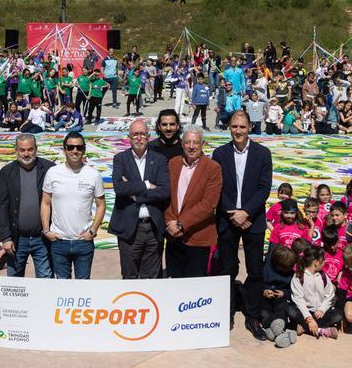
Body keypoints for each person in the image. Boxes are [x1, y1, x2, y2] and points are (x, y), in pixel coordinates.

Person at [212, 110, 273, 319]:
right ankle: (226, 313)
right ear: (230, 127)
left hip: (252, 220)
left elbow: (264, 188)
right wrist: (233, 215)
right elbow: (216, 187)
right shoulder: (220, 154)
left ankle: (253, 315)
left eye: (242, 127)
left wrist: (246, 212)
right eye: (234, 127)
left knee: (255, 270)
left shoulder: (262, 154)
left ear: (250, 128)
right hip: (228, 220)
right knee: (227, 270)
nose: (238, 131)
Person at [109, 119, 170, 279]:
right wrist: (147, 185)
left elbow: (164, 191)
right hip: (129, 227)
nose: (139, 138)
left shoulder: (159, 160)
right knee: (130, 276)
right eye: (135, 134)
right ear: (129, 137)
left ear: (148, 136)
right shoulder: (120, 159)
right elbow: (119, 188)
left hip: (153, 226)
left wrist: (134, 192)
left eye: (142, 134)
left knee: (152, 277)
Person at [41, 131, 105, 280]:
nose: (74, 151)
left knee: (83, 286)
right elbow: (45, 203)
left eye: (78, 147)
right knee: (62, 287)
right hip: (59, 241)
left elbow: (101, 205)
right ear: (64, 150)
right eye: (70, 147)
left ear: (84, 150)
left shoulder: (93, 174)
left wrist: (93, 231)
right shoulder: (53, 173)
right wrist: (46, 230)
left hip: (83, 242)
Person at [164, 125, 222, 278]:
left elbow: (208, 204)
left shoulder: (213, 168)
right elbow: (166, 196)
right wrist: (170, 221)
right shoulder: (173, 163)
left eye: (195, 143)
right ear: (182, 144)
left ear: (202, 144)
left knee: (194, 287)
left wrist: (181, 223)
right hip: (173, 236)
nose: (191, 147)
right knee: (174, 282)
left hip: (197, 237)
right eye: (187, 142)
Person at [0, 133, 56, 278]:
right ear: (16, 150)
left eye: (30, 149)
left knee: (46, 280)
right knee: (15, 284)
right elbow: (2, 206)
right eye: (22, 150)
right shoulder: (7, 172)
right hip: (17, 239)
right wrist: (5, 238)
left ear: (36, 149)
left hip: (42, 238)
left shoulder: (49, 169)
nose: (26, 154)